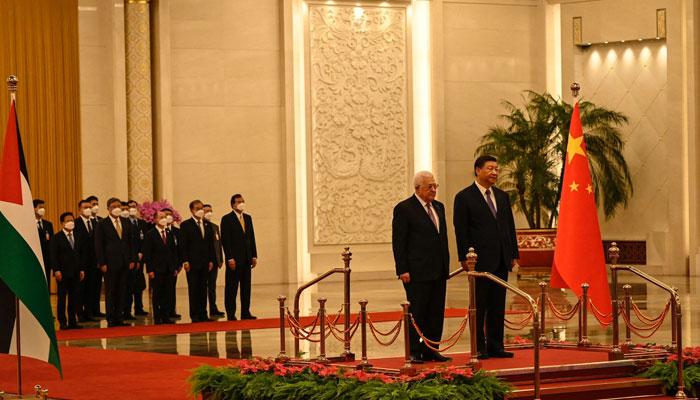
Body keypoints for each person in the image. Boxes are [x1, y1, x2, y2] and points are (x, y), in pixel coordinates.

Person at [453, 155, 519, 359]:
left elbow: (509, 226)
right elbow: (461, 229)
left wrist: (513, 253)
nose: (494, 173)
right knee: (479, 305)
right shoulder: (464, 197)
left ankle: (496, 345)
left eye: (497, 169)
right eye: (490, 168)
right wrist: (464, 257)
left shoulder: (502, 196)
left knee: (498, 304)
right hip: (478, 260)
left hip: (501, 259)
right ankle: (478, 346)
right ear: (477, 170)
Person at [392, 171, 451, 363]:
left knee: (436, 312)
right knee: (417, 312)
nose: (433, 190)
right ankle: (414, 350)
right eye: (429, 187)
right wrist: (402, 269)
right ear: (417, 188)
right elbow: (399, 241)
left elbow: (441, 238)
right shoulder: (405, 208)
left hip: (439, 270)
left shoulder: (439, 207)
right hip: (416, 271)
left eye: (435, 186)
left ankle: (431, 348)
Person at [94, 197, 136, 327]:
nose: (117, 208)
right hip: (110, 262)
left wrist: (132, 259)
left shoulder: (126, 222)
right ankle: (110, 317)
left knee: (122, 290)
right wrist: (102, 263)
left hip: (124, 261)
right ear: (108, 208)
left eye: (119, 205)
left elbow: (130, 242)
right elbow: (98, 245)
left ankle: (119, 316)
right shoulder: (102, 224)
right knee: (111, 291)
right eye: (114, 206)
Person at [220, 194, 258, 321]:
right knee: (232, 287)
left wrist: (254, 255)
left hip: (247, 259)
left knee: (246, 287)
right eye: (238, 202)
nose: (241, 203)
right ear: (233, 204)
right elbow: (226, 241)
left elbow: (251, 237)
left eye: (243, 201)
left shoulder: (247, 218)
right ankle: (231, 313)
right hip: (234, 260)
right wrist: (230, 258)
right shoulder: (227, 219)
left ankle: (245, 312)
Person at [180, 200, 216, 322]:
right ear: (192, 210)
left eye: (201, 208)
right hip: (192, 262)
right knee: (194, 288)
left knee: (203, 288)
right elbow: (183, 245)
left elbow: (211, 245)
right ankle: (194, 314)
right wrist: (185, 261)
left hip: (205, 262)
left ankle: (203, 313)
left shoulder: (207, 225)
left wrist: (211, 260)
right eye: (197, 208)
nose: (200, 210)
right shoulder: (186, 225)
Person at [50, 212, 86, 330]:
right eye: (68, 220)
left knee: (74, 297)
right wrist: (56, 270)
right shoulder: (57, 237)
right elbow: (53, 256)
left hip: (76, 272)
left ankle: (72, 321)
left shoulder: (78, 236)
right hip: (62, 273)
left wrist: (82, 269)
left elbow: (81, 254)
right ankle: (62, 321)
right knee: (61, 298)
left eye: (72, 220)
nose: (71, 222)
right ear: (62, 223)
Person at [142, 211, 178, 324]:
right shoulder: (150, 234)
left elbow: (173, 252)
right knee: (157, 293)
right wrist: (150, 270)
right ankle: (157, 317)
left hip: (169, 268)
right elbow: (148, 254)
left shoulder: (170, 233)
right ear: (156, 220)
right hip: (157, 269)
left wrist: (175, 267)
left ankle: (165, 316)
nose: (165, 219)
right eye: (162, 217)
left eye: (165, 217)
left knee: (167, 293)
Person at [124, 200, 150, 317]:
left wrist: (141, 254)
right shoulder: (125, 223)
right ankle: (126, 310)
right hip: (129, 259)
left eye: (135, 206)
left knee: (139, 285)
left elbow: (145, 241)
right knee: (128, 286)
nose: (132, 209)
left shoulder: (142, 223)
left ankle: (139, 308)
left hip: (140, 258)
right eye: (130, 207)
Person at [74, 200, 98, 322]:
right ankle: (80, 313)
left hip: (93, 261)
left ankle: (89, 312)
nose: (89, 209)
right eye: (85, 207)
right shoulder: (76, 223)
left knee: (91, 288)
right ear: (80, 210)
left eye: (90, 206)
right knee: (80, 289)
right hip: (81, 261)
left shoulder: (95, 222)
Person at [203, 204, 225, 317]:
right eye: (206, 211)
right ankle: (202, 310)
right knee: (203, 287)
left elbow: (218, 244)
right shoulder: (202, 227)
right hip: (204, 262)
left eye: (210, 211)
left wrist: (220, 258)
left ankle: (213, 307)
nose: (209, 213)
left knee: (212, 286)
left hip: (215, 261)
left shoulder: (215, 227)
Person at [162, 208, 182, 319]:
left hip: (173, 266)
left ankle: (172, 310)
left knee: (171, 288)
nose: (168, 217)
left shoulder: (177, 232)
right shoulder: (156, 231)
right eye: (166, 215)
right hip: (161, 266)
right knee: (162, 290)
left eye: (170, 215)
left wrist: (179, 265)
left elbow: (179, 249)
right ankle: (162, 311)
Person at [34, 199, 54, 288]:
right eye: (40, 207)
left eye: (43, 207)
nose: (43, 209)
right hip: (34, 259)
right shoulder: (29, 223)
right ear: (34, 209)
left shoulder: (48, 225)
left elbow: (52, 243)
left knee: (46, 284)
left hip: (46, 259)